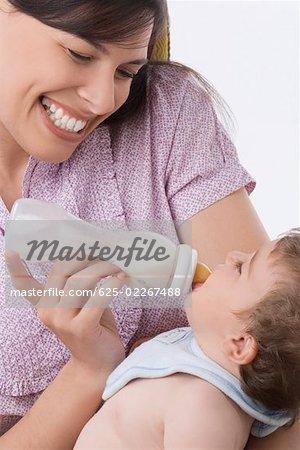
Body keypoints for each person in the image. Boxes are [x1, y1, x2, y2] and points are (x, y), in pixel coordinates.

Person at [0, 0, 298, 448]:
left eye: (127, 72)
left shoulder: (164, 113)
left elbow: (282, 367)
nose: (104, 99)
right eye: (80, 53)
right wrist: (87, 373)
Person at [73, 230, 300, 449]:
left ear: (239, 344)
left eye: (241, 269)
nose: (232, 255)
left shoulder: (206, 411)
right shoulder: (201, 362)